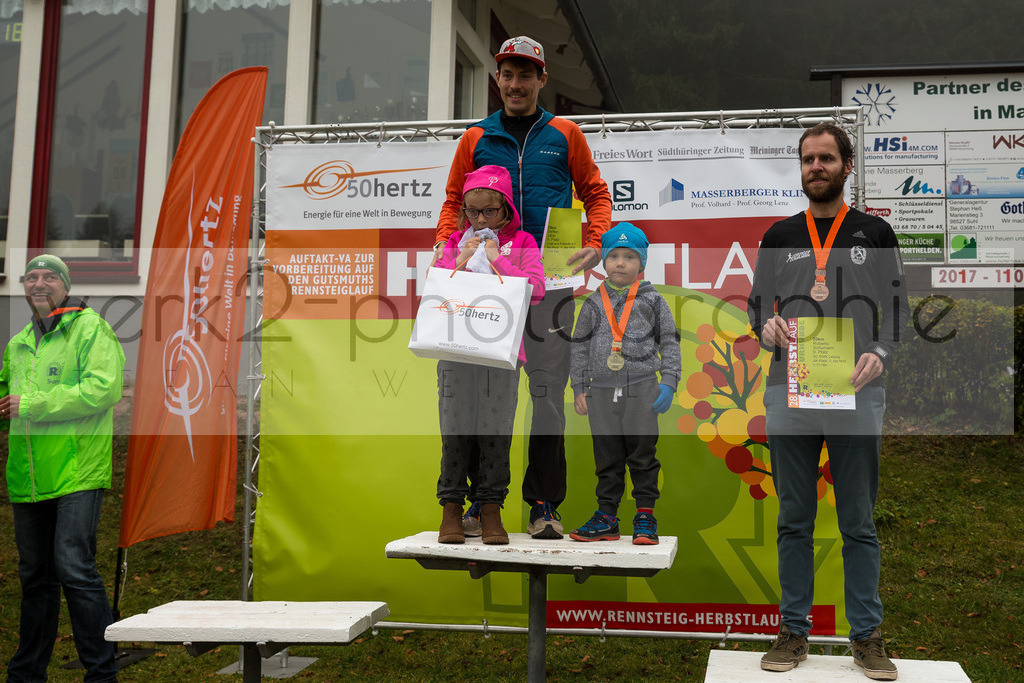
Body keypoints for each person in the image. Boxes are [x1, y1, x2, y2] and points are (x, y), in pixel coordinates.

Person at [747, 123, 909, 680]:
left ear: (846, 164)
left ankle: (866, 636)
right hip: (788, 391)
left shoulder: (875, 232)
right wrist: (765, 329)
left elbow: (897, 313)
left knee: (858, 521)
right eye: (807, 159)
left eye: (825, 158)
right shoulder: (778, 234)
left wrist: (882, 353)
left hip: (858, 393)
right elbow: (754, 308)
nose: (815, 166)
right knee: (794, 518)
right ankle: (794, 630)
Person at [434, 35, 612, 540]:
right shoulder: (475, 137)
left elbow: (596, 193)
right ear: (498, 79)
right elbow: (453, 201)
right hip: (486, 289)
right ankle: (473, 504)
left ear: (541, 80)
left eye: (525, 75)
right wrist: (449, 244)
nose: (515, 84)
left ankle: (543, 506)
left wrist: (595, 241)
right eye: (507, 75)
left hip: (547, 283)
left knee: (547, 395)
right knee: (477, 394)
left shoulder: (565, 133)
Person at [2, 254, 125, 683]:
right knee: (35, 578)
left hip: (77, 471)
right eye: (30, 277)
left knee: (74, 569)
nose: (38, 283)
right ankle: (26, 674)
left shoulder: (91, 327)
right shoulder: (18, 343)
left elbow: (103, 388)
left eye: (48, 277)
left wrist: (32, 405)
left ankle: (101, 673)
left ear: (64, 286)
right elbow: (5, 392)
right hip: (29, 477)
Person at [432, 165, 545, 545]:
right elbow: (436, 287)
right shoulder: (453, 242)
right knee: (455, 432)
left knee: (496, 432)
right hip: (455, 352)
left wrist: (498, 259)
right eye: (472, 211)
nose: (480, 219)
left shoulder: (524, 241)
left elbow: (538, 289)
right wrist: (459, 259)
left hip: (502, 354)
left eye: (489, 212)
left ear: (507, 210)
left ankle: (490, 508)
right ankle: (450, 509)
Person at [567, 223, 680, 545]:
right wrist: (579, 387)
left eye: (629, 257)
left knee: (643, 454)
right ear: (603, 261)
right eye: (613, 255)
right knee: (607, 457)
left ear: (641, 264)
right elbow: (579, 345)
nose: (619, 262)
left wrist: (669, 381)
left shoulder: (653, 300)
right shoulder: (591, 302)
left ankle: (645, 515)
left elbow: (669, 341)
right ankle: (606, 517)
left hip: (643, 386)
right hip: (600, 391)